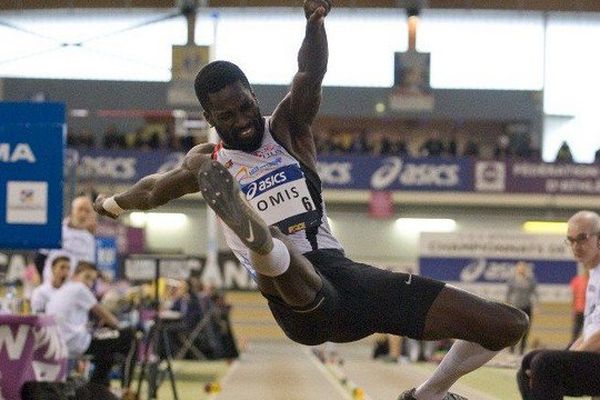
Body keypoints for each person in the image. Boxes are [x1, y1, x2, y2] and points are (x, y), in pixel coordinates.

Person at [93, 1, 528, 399]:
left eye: (246, 108)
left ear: (254, 97)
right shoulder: (207, 164)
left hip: (347, 277)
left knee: (508, 324)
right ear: (208, 118)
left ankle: (427, 395)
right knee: (273, 244)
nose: (243, 123)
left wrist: (315, 22)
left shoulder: (286, 129)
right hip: (297, 300)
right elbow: (152, 189)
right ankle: (260, 239)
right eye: (227, 117)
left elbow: (309, 75)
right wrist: (112, 204)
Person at [516, 211, 600, 399]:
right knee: (528, 363)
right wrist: (571, 351)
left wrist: (575, 353)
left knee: (545, 364)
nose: (576, 246)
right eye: (571, 240)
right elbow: (590, 332)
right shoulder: (592, 277)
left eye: (582, 238)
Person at [45, 261, 137, 389]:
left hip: (61, 342)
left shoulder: (63, 290)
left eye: (93, 280)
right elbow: (103, 313)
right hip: (75, 343)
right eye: (86, 277)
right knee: (129, 336)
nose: (89, 283)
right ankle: (126, 389)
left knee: (108, 348)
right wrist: (119, 326)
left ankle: (97, 387)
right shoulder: (79, 288)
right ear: (75, 275)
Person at [41, 195, 97, 281]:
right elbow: (40, 258)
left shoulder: (89, 239)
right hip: (52, 286)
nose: (83, 214)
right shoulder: (56, 230)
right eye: (80, 209)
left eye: (87, 211)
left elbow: (89, 267)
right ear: (72, 210)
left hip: (75, 289)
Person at [506, 261, 538, 355]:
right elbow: (508, 293)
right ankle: (511, 349)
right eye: (520, 268)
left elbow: (535, 293)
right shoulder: (512, 280)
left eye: (523, 268)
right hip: (515, 307)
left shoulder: (530, 280)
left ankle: (521, 350)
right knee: (513, 328)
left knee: (526, 329)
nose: (521, 269)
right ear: (517, 269)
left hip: (527, 306)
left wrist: (536, 305)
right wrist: (507, 305)